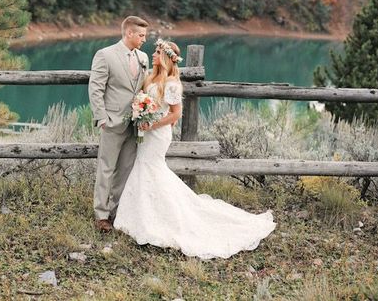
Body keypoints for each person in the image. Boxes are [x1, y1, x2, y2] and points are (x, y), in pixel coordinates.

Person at [114, 39, 276, 259]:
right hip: (147, 131)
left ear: (165, 57)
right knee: (144, 168)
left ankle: (164, 219)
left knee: (153, 169)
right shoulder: (150, 77)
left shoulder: (171, 83)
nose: (153, 54)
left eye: (157, 51)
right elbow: (144, 100)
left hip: (158, 134)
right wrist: (140, 113)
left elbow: (175, 115)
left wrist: (151, 123)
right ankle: (142, 216)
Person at [88, 15, 149, 232]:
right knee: (106, 168)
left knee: (125, 169)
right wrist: (102, 118)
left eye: (145, 35)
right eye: (141, 35)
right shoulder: (105, 55)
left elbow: (142, 88)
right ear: (129, 33)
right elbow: (95, 88)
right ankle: (101, 215)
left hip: (134, 124)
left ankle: (118, 212)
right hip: (112, 122)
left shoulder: (143, 57)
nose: (144, 39)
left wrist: (144, 112)